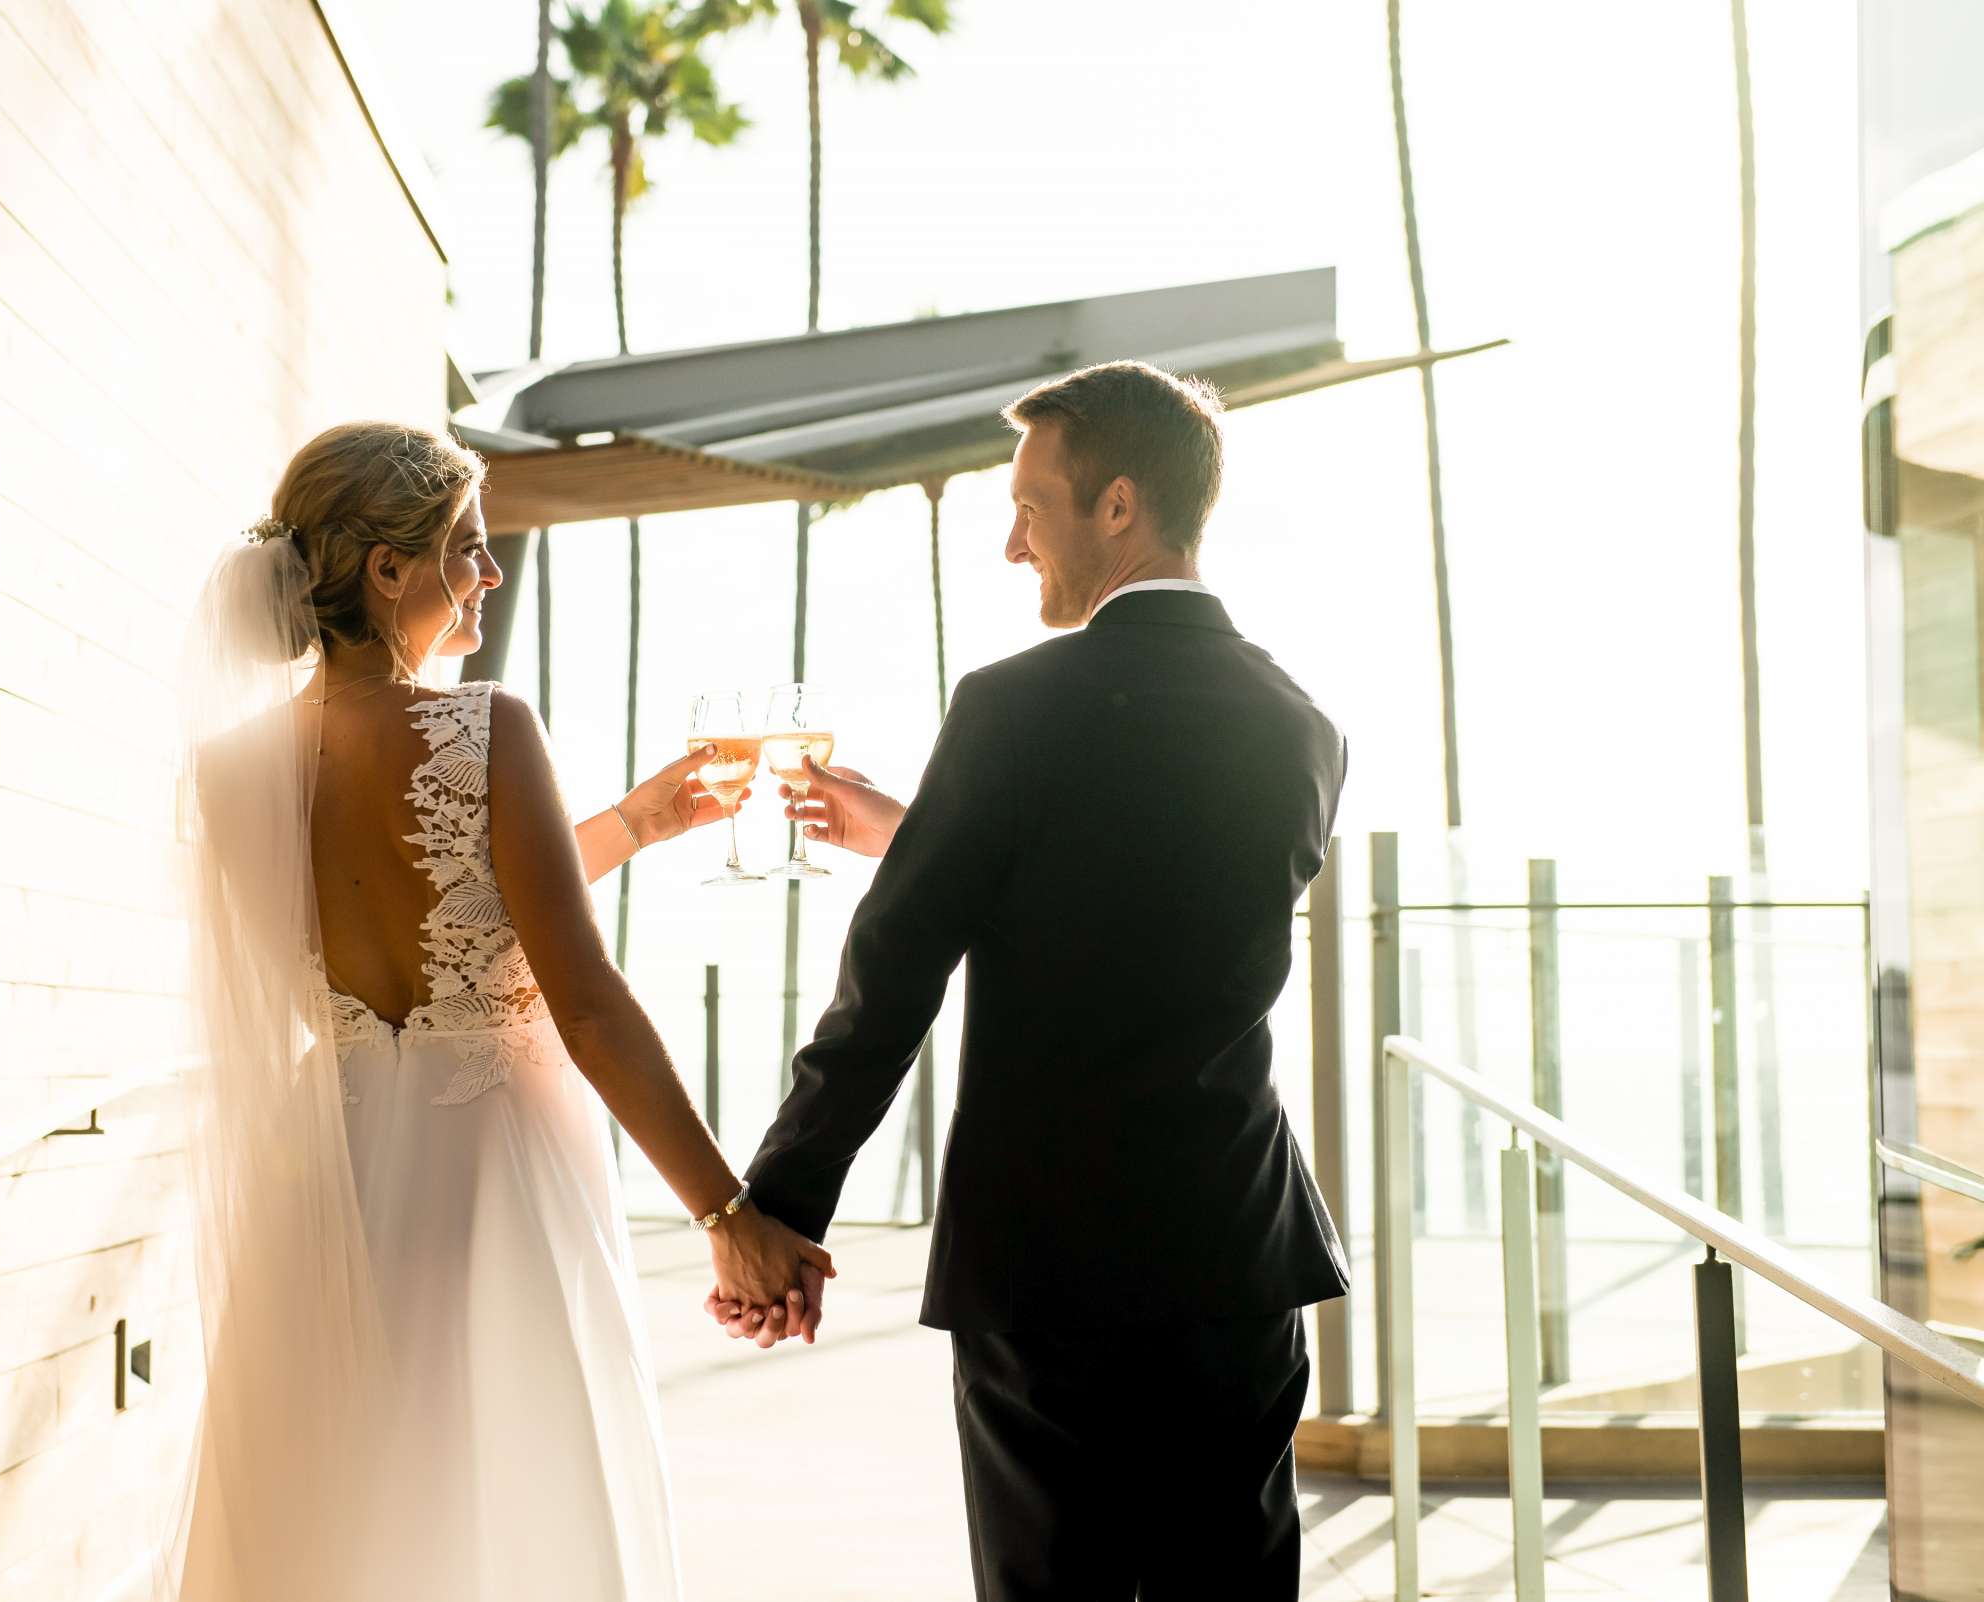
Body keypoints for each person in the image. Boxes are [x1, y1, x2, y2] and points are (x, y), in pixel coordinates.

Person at [716, 361, 1351, 1599]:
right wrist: (926, 830)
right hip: (1237, 1253)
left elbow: (892, 979)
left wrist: (782, 1204)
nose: (1014, 547)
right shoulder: (1300, 724)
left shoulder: (1013, 707)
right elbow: (1138, 901)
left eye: (1030, 507)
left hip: (1050, 1264)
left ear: (1118, 506)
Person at [167, 421, 830, 1601]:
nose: (491, 572)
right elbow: (582, 1002)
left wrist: (629, 825)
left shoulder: (232, 773)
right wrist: (725, 1208)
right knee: (512, 1497)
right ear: (386, 570)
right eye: (467, 548)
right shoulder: (485, 729)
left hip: (339, 1171)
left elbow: (425, 933)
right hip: (494, 1172)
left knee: (357, 1504)